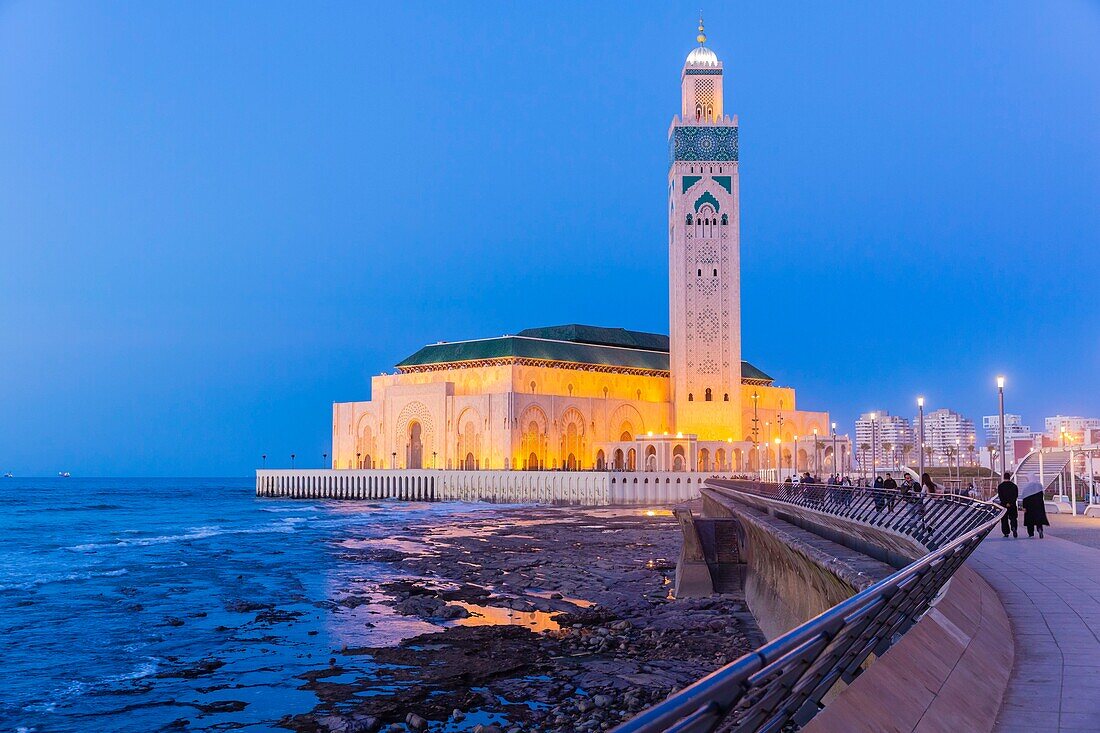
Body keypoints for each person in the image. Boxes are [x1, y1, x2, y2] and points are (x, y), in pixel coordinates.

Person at [996, 472, 1019, 538]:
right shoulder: (1014, 486)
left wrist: (1006, 503)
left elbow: (1000, 496)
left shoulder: (1000, 486)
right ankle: (1014, 527)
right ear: (1009, 477)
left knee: (1004, 519)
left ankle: (1006, 532)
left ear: (1004, 477)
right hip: (1012, 505)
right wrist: (1010, 503)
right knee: (1013, 518)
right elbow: (1015, 496)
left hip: (1003, 505)